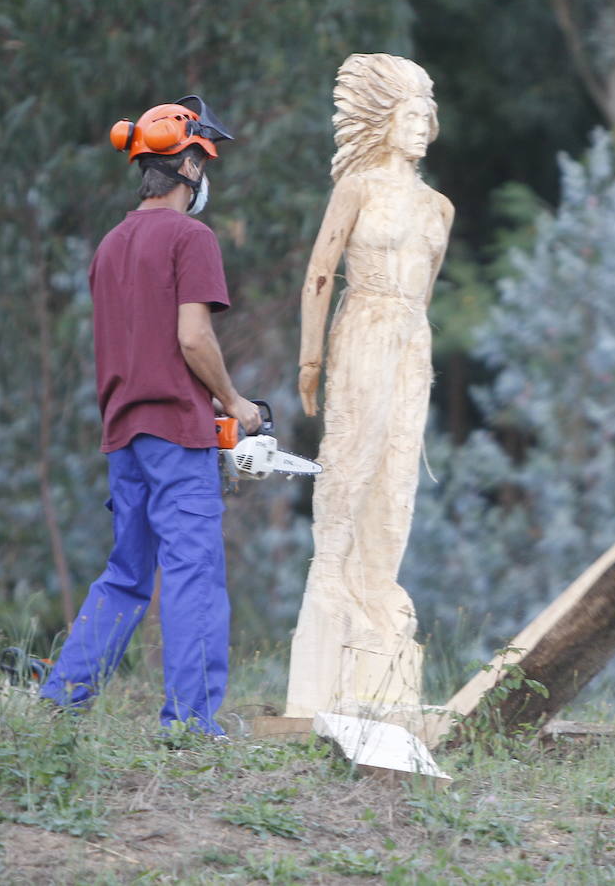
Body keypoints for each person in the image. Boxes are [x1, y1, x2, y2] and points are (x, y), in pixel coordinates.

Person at [39, 96, 260, 737]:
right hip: (176, 431)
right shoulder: (191, 237)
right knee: (192, 575)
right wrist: (234, 401)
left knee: (128, 572)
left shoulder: (110, 245)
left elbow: (140, 342)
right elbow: (193, 340)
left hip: (123, 432)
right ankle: (191, 724)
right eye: (205, 161)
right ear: (189, 164)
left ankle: (62, 700)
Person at [286, 54, 455, 716]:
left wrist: (415, 341)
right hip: (363, 327)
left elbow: (428, 294)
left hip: (411, 339)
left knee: (397, 470)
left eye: (425, 117)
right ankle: (332, 578)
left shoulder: (438, 207)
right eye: (409, 115)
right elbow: (321, 272)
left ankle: (378, 585)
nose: (420, 127)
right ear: (385, 123)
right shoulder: (357, 186)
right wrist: (309, 359)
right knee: (351, 457)